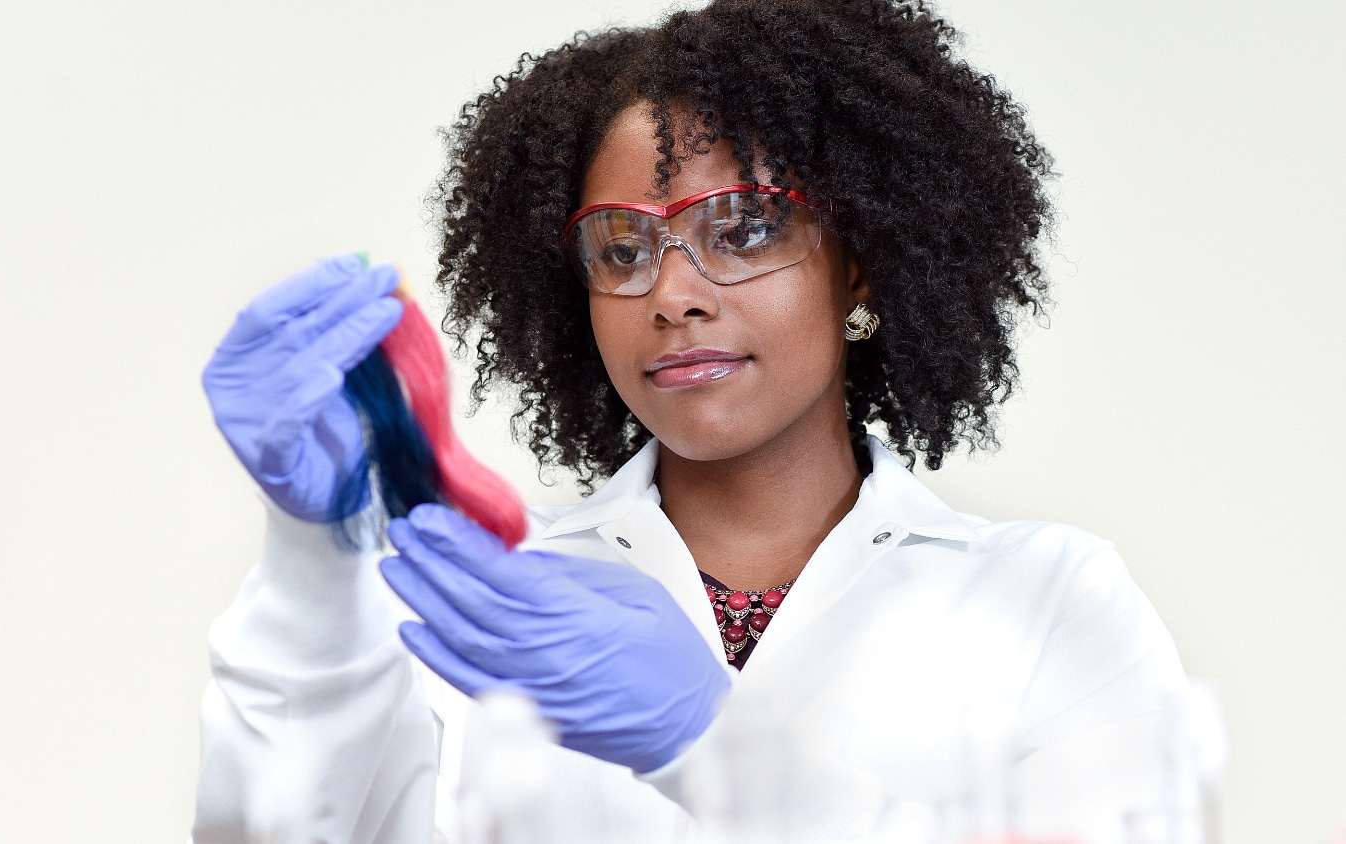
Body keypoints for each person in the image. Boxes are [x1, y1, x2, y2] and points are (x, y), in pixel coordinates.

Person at [192, 1, 1188, 842]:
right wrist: (312, 561)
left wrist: (713, 750)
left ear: (861, 261)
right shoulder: (486, 596)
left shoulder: (1049, 600)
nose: (671, 294)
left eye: (745, 228)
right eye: (622, 248)